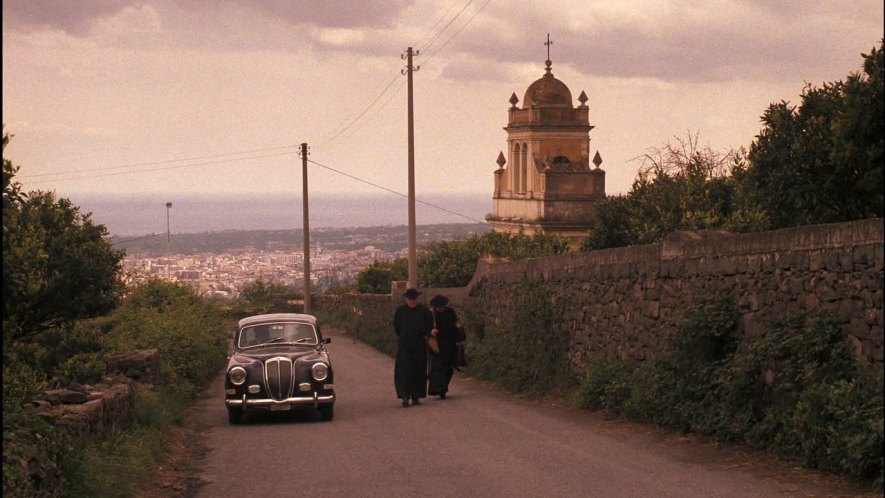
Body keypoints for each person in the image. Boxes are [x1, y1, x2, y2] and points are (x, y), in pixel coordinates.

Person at [392, 288, 433, 407]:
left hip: (419, 345)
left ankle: (416, 396)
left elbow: (429, 327)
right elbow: (397, 326)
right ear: (406, 299)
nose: (412, 301)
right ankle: (404, 396)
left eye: (414, 299)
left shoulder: (424, 312)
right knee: (404, 371)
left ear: (417, 299)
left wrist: (425, 336)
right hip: (405, 345)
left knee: (418, 371)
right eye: (410, 299)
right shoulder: (400, 311)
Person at [427, 294, 462, 400]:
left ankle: (443, 388)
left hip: (449, 345)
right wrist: (431, 332)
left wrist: (458, 329)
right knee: (438, 368)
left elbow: (455, 324)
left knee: (448, 368)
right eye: (438, 307)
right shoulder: (431, 314)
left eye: (442, 306)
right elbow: (426, 327)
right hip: (436, 345)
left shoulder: (450, 312)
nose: (440, 308)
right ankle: (439, 390)